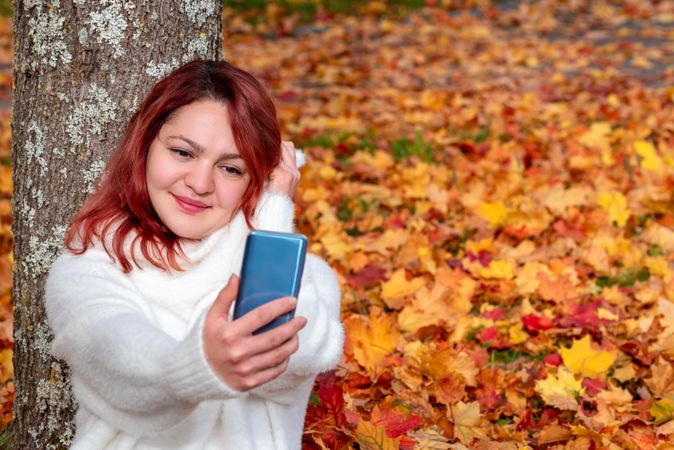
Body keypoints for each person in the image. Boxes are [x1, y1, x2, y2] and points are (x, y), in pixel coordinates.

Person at [45, 59, 344, 450]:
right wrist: (195, 364)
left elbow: (305, 347)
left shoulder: (305, 274)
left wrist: (273, 214)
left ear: (257, 180)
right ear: (146, 146)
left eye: (231, 169)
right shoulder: (90, 262)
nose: (200, 183)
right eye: (183, 153)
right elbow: (114, 347)